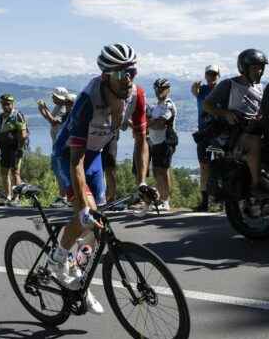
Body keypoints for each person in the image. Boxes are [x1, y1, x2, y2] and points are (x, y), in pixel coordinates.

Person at [49, 42, 154, 315]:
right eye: (120, 74)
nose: (128, 79)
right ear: (106, 76)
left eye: (131, 71)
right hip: (70, 157)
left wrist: (141, 182)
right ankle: (58, 259)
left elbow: (142, 141)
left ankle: (78, 279)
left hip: (94, 157)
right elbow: (76, 161)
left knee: (98, 227)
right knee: (86, 214)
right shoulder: (87, 101)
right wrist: (82, 206)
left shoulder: (137, 95)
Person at [203, 48, 269, 198]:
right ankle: (256, 185)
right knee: (254, 144)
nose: (259, 71)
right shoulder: (229, 84)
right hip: (235, 130)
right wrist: (226, 113)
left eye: (261, 67)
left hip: (257, 126)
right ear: (244, 68)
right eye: (255, 67)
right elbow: (207, 105)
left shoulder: (260, 87)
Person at [38, 87, 76, 207]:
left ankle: (64, 196)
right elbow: (51, 120)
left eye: (55, 97)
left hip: (61, 145)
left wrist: (44, 108)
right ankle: (64, 195)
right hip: (57, 143)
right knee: (59, 170)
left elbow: (54, 121)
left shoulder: (64, 108)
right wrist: (43, 110)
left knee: (61, 171)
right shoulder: (59, 107)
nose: (53, 98)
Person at [145, 78, 178, 212]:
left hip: (166, 141)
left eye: (162, 89)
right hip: (155, 142)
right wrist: (151, 122)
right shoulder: (155, 106)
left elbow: (160, 123)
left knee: (164, 171)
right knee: (156, 171)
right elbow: (152, 122)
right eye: (157, 89)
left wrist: (149, 122)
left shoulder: (168, 105)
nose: (159, 92)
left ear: (168, 90)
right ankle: (160, 198)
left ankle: (166, 201)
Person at [191, 64, 221, 211]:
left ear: (218, 75)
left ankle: (222, 201)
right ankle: (205, 202)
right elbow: (194, 91)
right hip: (204, 133)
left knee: (222, 164)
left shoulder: (221, 90)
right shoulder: (202, 90)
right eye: (209, 74)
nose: (212, 77)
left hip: (218, 132)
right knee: (204, 167)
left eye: (214, 74)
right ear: (206, 75)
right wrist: (194, 86)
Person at [0, 94, 28, 206]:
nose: (5, 106)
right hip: (4, 148)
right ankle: (7, 195)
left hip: (15, 148)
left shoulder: (17, 115)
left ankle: (16, 197)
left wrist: (20, 148)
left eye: (7, 104)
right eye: (3, 104)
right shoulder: (0, 117)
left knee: (15, 172)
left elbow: (23, 134)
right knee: (4, 172)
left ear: (12, 104)